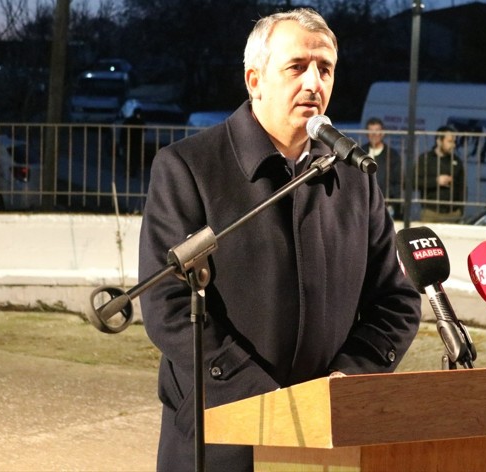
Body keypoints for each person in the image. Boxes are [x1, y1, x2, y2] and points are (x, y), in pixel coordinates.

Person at [137, 8, 422, 472]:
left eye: (325, 68)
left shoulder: (356, 177)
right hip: (220, 436)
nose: (314, 83)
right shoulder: (188, 168)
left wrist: (348, 379)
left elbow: (396, 300)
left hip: (324, 438)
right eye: (297, 67)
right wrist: (265, 402)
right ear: (255, 80)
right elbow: (167, 304)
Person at [414, 125, 466, 222]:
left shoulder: (457, 161)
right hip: (431, 212)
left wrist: (460, 210)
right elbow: (414, 182)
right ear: (439, 141)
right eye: (450, 141)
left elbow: (462, 187)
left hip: (453, 214)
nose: (453, 145)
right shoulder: (425, 159)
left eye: (454, 141)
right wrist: (436, 181)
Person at [362, 117, 403, 219]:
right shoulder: (360, 152)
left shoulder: (392, 155)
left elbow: (398, 181)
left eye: (377, 131)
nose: (374, 135)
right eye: (371, 131)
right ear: (367, 134)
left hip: (386, 205)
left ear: (383, 133)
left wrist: (391, 201)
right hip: (364, 204)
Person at [119, 107, 146, 176]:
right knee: (129, 157)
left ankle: (131, 172)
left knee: (133, 157)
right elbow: (123, 131)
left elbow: (144, 129)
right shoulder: (131, 120)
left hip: (134, 142)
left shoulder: (139, 121)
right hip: (129, 141)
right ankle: (129, 172)